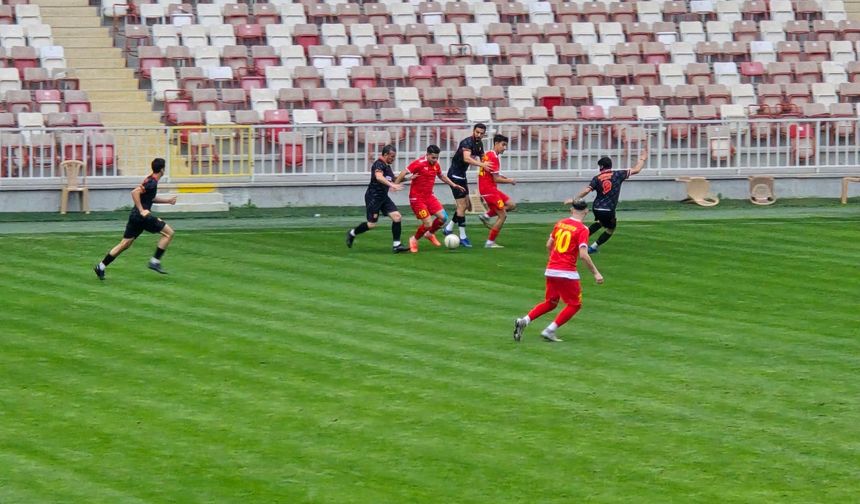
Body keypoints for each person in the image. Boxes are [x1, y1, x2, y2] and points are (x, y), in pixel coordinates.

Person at [513, 200, 604, 343]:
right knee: (575, 305)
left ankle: (524, 320)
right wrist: (596, 273)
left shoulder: (560, 224)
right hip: (567, 272)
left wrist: (555, 259)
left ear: (571, 210)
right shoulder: (583, 229)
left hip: (551, 269)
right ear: (586, 212)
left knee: (551, 302)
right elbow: (584, 254)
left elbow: (549, 244)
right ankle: (550, 330)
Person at [93, 158, 177, 279]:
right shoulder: (151, 182)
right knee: (169, 233)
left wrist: (168, 201)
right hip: (143, 217)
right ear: (162, 169)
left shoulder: (150, 180)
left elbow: (149, 198)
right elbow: (135, 192)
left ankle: (100, 266)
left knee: (125, 244)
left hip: (135, 217)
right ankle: (155, 261)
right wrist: (142, 210)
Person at [565, 145, 649, 254]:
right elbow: (637, 169)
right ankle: (592, 247)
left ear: (601, 167)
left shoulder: (597, 178)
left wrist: (574, 199)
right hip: (608, 210)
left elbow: (587, 190)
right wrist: (642, 158)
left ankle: (578, 240)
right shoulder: (618, 174)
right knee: (610, 229)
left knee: (600, 222)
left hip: (596, 207)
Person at [394, 145, 465, 253]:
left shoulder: (436, 165)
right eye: (433, 158)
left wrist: (453, 185)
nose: (435, 160)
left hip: (429, 197)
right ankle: (413, 239)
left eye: (437, 158)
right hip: (417, 198)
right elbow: (404, 172)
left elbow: (441, 176)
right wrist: (395, 184)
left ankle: (430, 234)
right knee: (428, 223)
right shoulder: (419, 163)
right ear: (427, 155)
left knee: (443, 217)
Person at [346, 144, 410, 253]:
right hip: (373, 197)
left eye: (394, 156)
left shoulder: (387, 166)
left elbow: (393, 179)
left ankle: (397, 245)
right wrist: (392, 185)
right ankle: (352, 233)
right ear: (385, 155)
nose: (393, 159)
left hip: (383, 197)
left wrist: (409, 178)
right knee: (371, 224)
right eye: (392, 156)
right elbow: (379, 177)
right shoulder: (378, 164)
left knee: (397, 217)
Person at [442, 123, 491, 248]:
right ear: (473, 131)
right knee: (462, 205)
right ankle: (463, 237)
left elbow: (483, 157)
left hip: (462, 176)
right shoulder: (466, 142)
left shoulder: (479, 144)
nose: (479, 135)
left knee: (466, 206)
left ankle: (449, 228)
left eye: (481, 133)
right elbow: (467, 159)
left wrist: (489, 163)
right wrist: (482, 165)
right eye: (477, 132)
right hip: (454, 176)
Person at [476, 134, 517, 248]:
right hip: (489, 190)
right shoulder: (493, 157)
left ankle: (486, 215)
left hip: (489, 189)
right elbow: (496, 178)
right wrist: (510, 181)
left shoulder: (488, 154)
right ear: (496, 144)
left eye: (506, 145)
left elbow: (493, 174)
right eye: (503, 145)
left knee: (511, 205)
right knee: (502, 215)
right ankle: (490, 243)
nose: (505, 148)